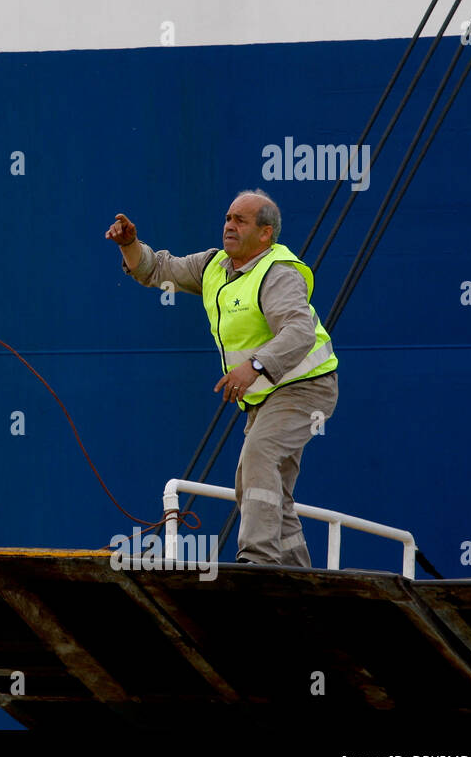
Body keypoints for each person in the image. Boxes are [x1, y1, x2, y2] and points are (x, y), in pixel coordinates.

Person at [105, 190, 338, 566]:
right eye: (228, 218)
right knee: (269, 486)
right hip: (266, 395)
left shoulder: (278, 272)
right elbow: (158, 270)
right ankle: (299, 574)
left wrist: (255, 366)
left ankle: (258, 561)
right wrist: (130, 245)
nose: (229, 226)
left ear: (265, 234)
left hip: (305, 389)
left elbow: (299, 333)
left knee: (258, 456)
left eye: (240, 221)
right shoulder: (214, 266)